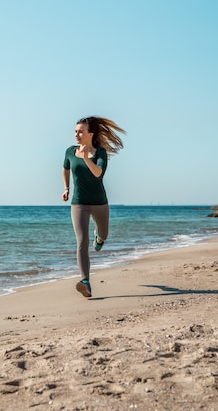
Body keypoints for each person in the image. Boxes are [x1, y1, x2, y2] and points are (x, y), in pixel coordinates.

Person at [62, 116, 125, 298]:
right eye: (75, 131)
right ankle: (85, 282)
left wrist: (86, 158)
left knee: (103, 234)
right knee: (81, 242)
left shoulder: (100, 153)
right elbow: (65, 168)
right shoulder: (70, 151)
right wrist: (66, 188)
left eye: (81, 131)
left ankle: (99, 238)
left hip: (99, 203)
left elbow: (98, 173)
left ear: (90, 134)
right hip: (78, 203)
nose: (77, 134)